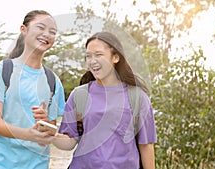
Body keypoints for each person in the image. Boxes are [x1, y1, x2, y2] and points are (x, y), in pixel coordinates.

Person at [53, 31, 157, 169]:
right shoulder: (79, 95)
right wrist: (50, 135)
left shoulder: (137, 97)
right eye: (88, 56)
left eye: (98, 55)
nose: (92, 61)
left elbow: (146, 145)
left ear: (115, 57)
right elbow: (70, 141)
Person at [0, 10, 65, 169]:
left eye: (52, 32)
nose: (46, 34)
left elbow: (48, 133)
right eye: (41, 27)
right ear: (23, 29)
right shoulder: (3, 69)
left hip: (36, 164)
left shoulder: (54, 81)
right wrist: (27, 135)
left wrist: (44, 121)